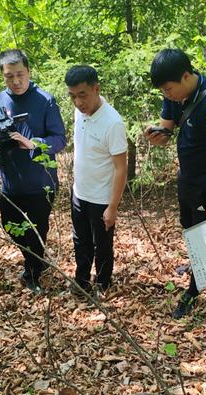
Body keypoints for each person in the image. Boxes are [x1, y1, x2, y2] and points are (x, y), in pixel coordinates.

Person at [144, 48, 206, 319]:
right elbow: (168, 127)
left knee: (201, 230)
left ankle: (195, 289)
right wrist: (159, 135)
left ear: (186, 76)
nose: (167, 95)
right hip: (187, 174)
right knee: (190, 227)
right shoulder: (174, 94)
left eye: (169, 89)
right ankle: (199, 266)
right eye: (163, 91)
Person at [0, 49, 67, 293]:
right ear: (3, 76)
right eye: (10, 76)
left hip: (40, 180)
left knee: (37, 229)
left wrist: (34, 144)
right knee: (10, 224)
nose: (16, 81)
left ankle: (32, 272)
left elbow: (60, 139)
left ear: (29, 72)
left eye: (20, 74)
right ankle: (34, 262)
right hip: (11, 180)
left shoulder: (45, 100)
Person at [64, 65, 128, 293]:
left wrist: (113, 207)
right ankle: (81, 282)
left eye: (83, 95)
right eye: (72, 96)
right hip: (80, 192)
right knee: (80, 241)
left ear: (96, 88)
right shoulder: (78, 113)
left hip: (102, 198)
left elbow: (122, 168)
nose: (78, 102)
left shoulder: (113, 123)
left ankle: (102, 284)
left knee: (102, 246)